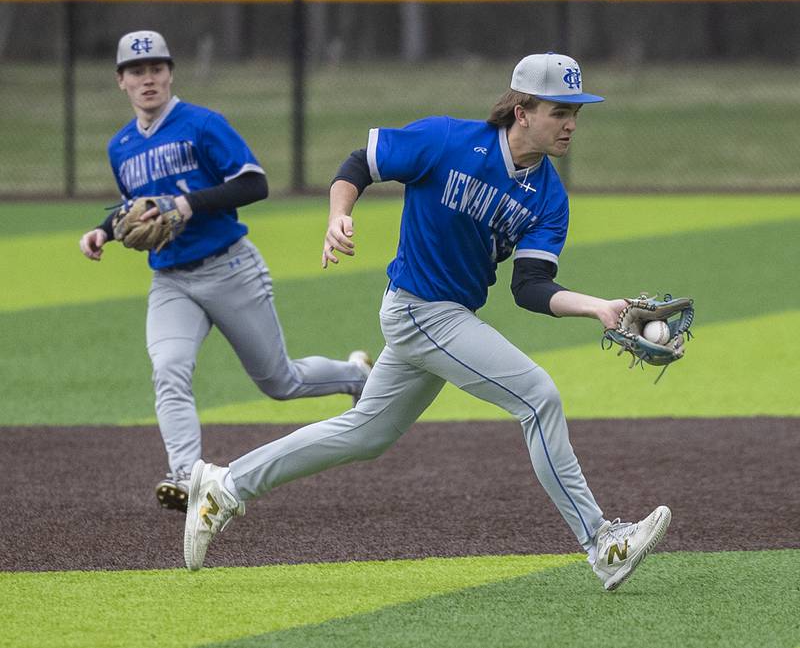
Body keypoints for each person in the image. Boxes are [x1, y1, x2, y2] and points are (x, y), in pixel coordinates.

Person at [181, 52, 672, 591]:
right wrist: (338, 215)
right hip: (418, 309)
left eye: (576, 111)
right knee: (538, 396)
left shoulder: (550, 197)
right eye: (560, 110)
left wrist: (599, 307)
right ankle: (601, 542)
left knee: (367, 432)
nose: (572, 123)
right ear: (521, 109)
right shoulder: (446, 141)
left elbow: (530, 287)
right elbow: (358, 164)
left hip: (448, 317)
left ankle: (224, 486)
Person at [79, 30, 371, 513]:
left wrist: (188, 204)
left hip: (230, 269)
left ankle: (356, 375)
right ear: (121, 81)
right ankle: (187, 477)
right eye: (136, 70)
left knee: (280, 383)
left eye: (156, 68)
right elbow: (139, 208)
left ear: (170, 73)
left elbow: (255, 183)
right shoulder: (121, 146)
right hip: (171, 280)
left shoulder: (202, 125)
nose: (147, 78)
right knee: (169, 368)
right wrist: (103, 231)